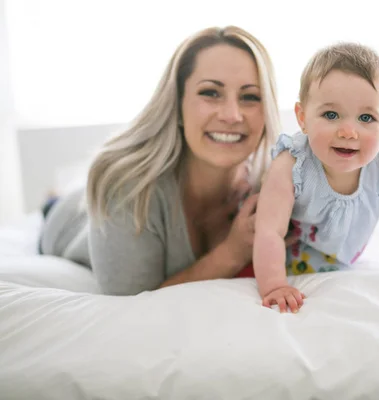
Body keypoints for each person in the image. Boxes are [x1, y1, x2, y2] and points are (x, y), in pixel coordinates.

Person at [39, 26, 295, 295]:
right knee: (59, 203)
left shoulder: (274, 184)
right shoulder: (126, 185)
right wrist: (232, 252)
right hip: (69, 219)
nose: (232, 115)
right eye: (210, 92)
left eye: (250, 97)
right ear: (178, 104)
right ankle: (51, 200)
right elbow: (130, 303)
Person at [253, 42, 379, 313]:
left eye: (366, 117)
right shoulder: (292, 163)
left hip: (345, 257)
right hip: (290, 255)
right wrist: (275, 285)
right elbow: (269, 231)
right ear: (302, 117)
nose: (349, 131)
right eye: (331, 114)